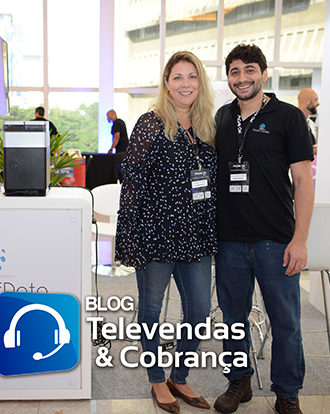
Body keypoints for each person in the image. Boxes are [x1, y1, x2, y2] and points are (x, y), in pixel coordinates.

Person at [213, 44, 314, 414]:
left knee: (285, 321)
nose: (242, 78)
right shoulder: (223, 117)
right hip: (230, 240)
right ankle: (239, 381)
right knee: (233, 319)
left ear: (264, 73)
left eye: (249, 70)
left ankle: (287, 393)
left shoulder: (288, 117)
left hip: (276, 240)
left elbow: (303, 181)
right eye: (235, 71)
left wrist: (300, 240)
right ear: (228, 77)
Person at [115, 51, 217, 414]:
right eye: (178, 77)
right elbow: (132, 181)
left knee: (200, 311)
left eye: (192, 76)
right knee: (151, 310)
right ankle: (157, 379)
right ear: (166, 83)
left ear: (200, 82)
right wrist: (129, 236)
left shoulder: (207, 126)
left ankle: (180, 375)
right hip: (155, 234)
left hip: (195, 236)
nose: (185, 84)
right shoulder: (151, 123)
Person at [297, 88, 320, 155]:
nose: (318, 103)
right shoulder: (290, 122)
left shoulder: (311, 124)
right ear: (307, 100)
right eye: (316, 100)